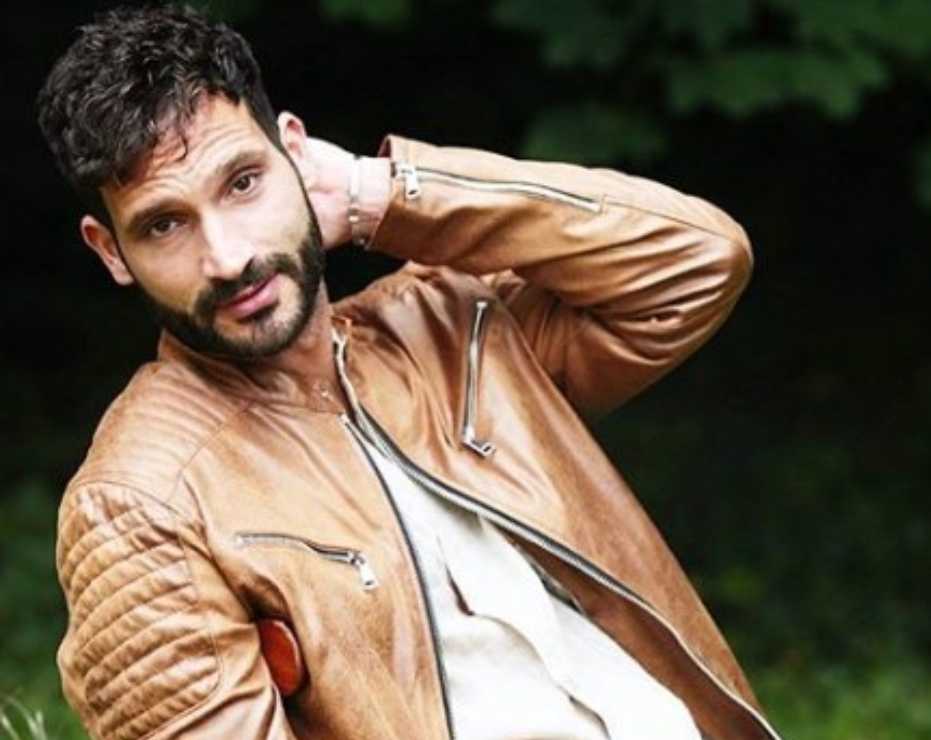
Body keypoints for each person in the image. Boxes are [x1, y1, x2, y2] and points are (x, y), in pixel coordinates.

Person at [36, 4, 778, 740]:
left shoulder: (452, 327)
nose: (229, 258)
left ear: (296, 155)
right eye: (164, 224)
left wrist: (381, 193)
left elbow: (697, 264)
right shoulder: (141, 503)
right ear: (110, 251)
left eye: (244, 183)